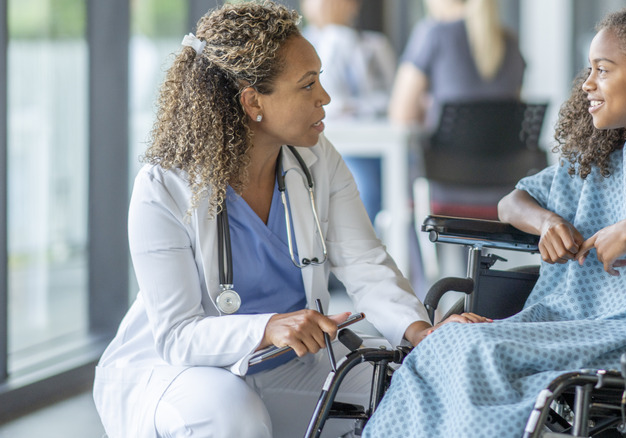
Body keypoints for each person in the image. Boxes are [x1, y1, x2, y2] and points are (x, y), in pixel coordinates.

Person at [92, 3, 489, 438]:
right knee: (233, 417)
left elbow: (365, 264)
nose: (326, 97)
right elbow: (178, 335)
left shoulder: (317, 159)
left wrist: (421, 333)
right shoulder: (164, 187)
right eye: (308, 84)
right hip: (179, 369)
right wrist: (267, 326)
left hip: (288, 361)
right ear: (252, 101)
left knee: (410, 394)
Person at [362, 8, 626, 436]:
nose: (587, 84)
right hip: (568, 320)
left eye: (603, 70)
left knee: (477, 349)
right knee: (443, 342)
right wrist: (546, 222)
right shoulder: (599, 159)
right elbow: (512, 203)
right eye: (590, 70)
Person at [300, 0, 397, 224]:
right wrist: (335, 34)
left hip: (377, 144)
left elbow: (393, 98)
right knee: (361, 185)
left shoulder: (375, 45)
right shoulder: (298, 48)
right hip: (326, 145)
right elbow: (328, 98)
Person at [388, 0, 526, 127]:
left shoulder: (432, 34)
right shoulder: (512, 42)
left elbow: (400, 116)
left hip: (445, 153)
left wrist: (427, 110)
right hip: (506, 153)